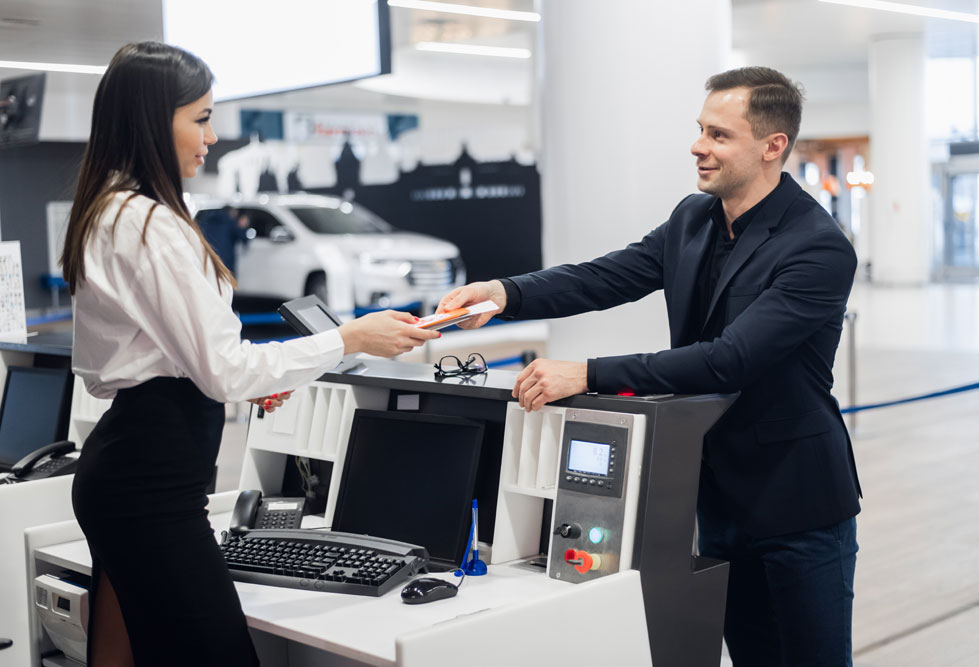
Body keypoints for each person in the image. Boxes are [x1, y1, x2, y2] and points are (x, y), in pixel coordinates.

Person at [438, 67, 861, 666]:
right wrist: (505, 293)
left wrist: (587, 374)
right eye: (700, 130)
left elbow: (730, 360)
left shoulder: (817, 245)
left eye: (719, 135)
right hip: (717, 494)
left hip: (798, 504)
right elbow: (604, 276)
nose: (698, 146)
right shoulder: (693, 219)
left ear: (773, 147)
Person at [59, 42, 438, 667]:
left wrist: (240, 377)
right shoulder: (147, 224)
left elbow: (181, 361)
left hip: (133, 465)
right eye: (201, 118)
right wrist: (350, 338)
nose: (214, 135)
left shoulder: (113, 210)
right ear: (156, 120)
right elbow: (223, 368)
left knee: (130, 645)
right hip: (149, 485)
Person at [197, 204, 249, 275]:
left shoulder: (205, 221)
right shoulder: (230, 222)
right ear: (231, 211)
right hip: (226, 264)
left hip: (208, 262)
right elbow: (244, 237)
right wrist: (243, 226)